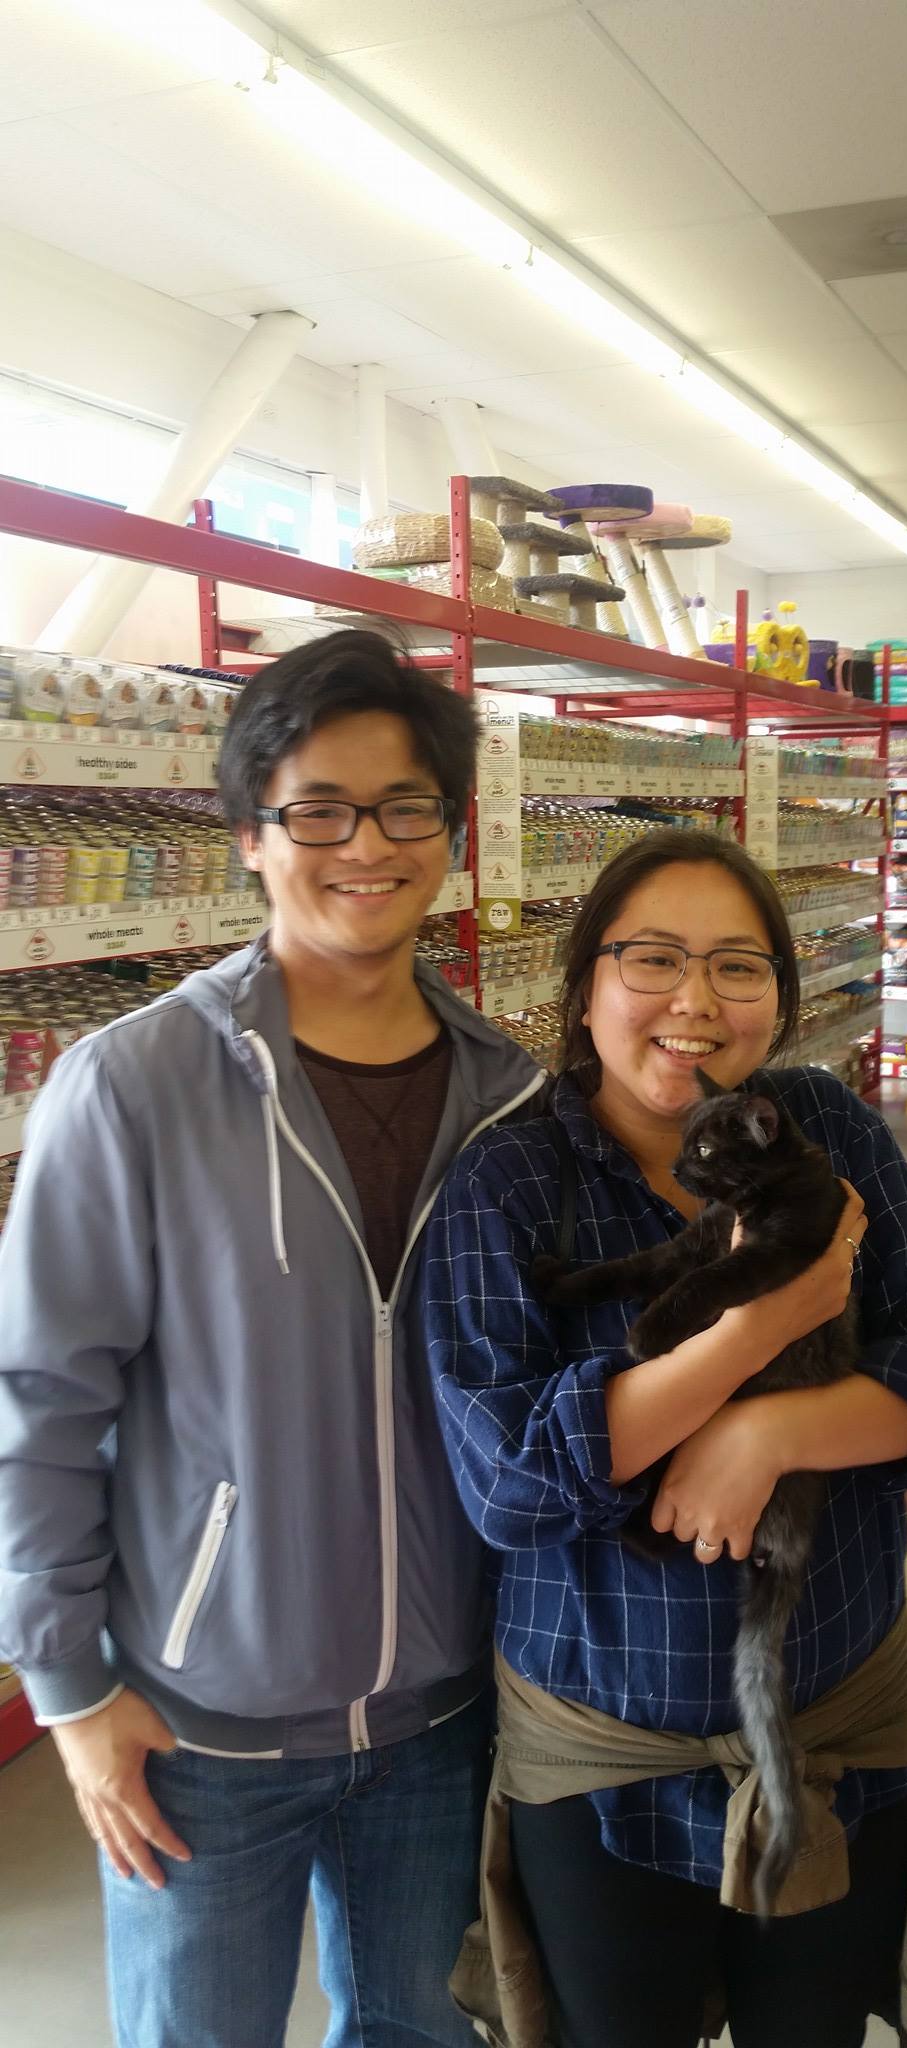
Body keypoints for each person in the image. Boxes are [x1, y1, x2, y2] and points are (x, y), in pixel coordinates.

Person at [0, 629, 546, 2048]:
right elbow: (41, 1405)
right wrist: (70, 1691)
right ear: (251, 834)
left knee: (422, 2032)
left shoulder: (513, 1099)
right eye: (318, 808)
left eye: (405, 805)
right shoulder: (130, 1087)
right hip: (198, 1728)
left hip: (444, 1720)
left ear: (451, 833)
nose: (364, 843)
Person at [422, 828, 907, 2048]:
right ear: (584, 984)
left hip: (834, 1728)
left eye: (739, 967)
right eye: (652, 958)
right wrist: (773, 1322)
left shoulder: (825, 1126)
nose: (695, 1000)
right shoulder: (509, 1181)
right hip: (598, 1759)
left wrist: (765, 1434)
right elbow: (515, 1485)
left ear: (779, 1000)